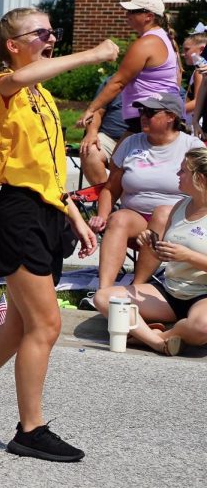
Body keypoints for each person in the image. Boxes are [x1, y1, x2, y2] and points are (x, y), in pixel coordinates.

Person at [0, 7, 116, 462]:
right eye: (40, 33)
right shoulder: (1, 87)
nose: (50, 38)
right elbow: (23, 176)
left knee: (16, 326)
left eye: (53, 32)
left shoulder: (44, 97)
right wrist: (92, 54)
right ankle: (30, 429)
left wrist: (72, 214)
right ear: (13, 46)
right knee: (45, 324)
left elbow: (48, 171)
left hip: (45, 212)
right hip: (16, 215)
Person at [94, 148, 207, 355]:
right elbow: (167, 256)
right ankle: (157, 343)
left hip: (202, 294)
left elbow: (186, 254)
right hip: (171, 290)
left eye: (183, 171)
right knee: (103, 298)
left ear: (199, 178)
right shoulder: (180, 206)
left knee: (201, 328)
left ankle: (149, 336)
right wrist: (151, 246)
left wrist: (187, 256)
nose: (177, 175)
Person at [88, 91, 202, 292]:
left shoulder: (191, 146)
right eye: (141, 111)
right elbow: (110, 189)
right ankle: (103, 291)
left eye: (150, 112)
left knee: (162, 213)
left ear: (171, 117)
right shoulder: (130, 143)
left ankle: (137, 288)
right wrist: (102, 216)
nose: (143, 116)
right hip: (136, 218)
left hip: (179, 222)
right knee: (119, 219)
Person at [79, 0, 180, 135]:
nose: (127, 14)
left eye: (133, 11)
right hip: (159, 115)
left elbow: (119, 82)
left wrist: (91, 110)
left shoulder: (147, 43)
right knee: (119, 156)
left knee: (118, 157)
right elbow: (178, 79)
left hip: (149, 116)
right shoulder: (167, 40)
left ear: (149, 16)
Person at [78, 78, 128, 186]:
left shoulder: (157, 80)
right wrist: (91, 133)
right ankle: (105, 195)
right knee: (89, 149)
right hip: (109, 138)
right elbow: (97, 111)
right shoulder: (112, 81)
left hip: (139, 139)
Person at [181, 29, 207, 133]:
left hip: (199, 122)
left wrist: (173, 111)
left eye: (187, 49)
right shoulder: (197, 71)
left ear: (201, 50)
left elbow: (196, 101)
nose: (183, 54)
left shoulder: (199, 71)